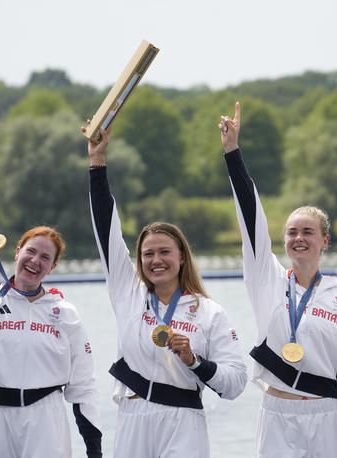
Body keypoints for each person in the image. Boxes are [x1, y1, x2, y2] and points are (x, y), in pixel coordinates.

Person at [219, 102, 337, 458]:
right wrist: (233, 152)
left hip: (327, 414)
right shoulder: (267, 280)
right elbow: (250, 219)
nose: (298, 239)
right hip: (277, 412)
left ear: (325, 240)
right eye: (291, 232)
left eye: (308, 231)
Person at [85, 126, 248, 457]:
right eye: (148, 254)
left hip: (183, 422)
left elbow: (235, 383)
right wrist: (98, 161)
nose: (155, 260)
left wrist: (194, 360)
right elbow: (106, 231)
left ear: (182, 256)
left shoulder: (209, 312)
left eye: (164, 252)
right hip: (133, 417)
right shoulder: (127, 293)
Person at [0, 226, 102, 458]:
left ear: (53, 267)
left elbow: (83, 386)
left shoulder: (65, 313)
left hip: (45, 419)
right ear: (17, 252)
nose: (35, 261)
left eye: (45, 257)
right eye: (31, 251)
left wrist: (94, 450)